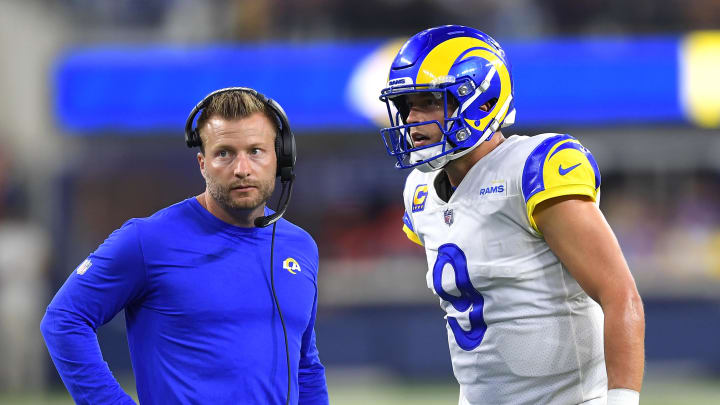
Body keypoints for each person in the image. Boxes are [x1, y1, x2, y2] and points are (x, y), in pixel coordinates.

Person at [378, 25, 644, 405]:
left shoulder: (533, 170)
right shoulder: (419, 191)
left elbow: (620, 295)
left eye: (430, 102)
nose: (413, 120)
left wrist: (622, 401)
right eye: (407, 106)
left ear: (483, 101)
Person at [41, 88, 329, 404]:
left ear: (280, 157)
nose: (242, 168)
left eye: (256, 151)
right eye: (224, 153)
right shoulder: (147, 240)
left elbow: (306, 367)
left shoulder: (300, 247)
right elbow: (64, 320)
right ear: (202, 163)